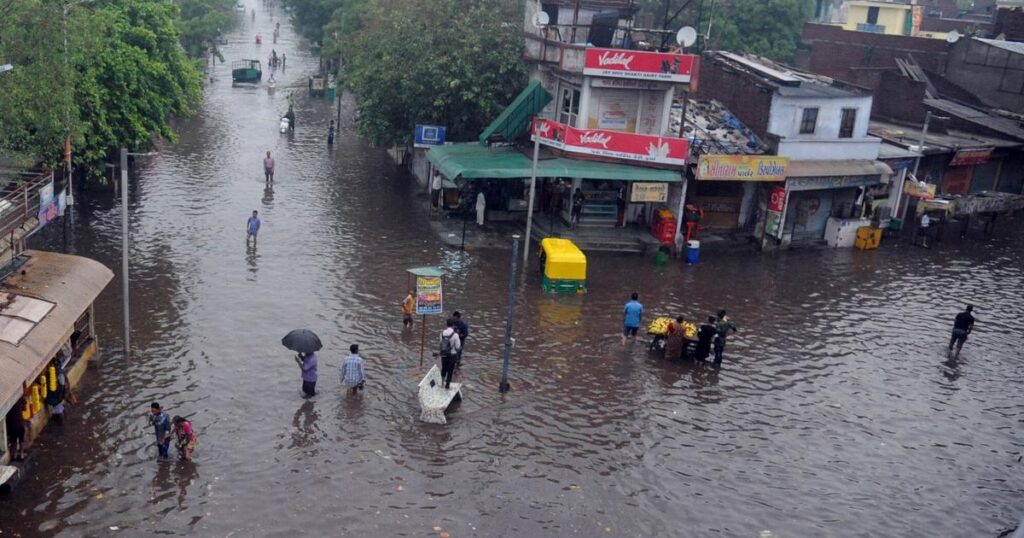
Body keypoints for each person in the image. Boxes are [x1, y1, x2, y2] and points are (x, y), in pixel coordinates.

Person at [439, 319, 461, 389]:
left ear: (446, 324)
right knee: (450, 370)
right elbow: (458, 346)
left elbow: (440, 343)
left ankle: (442, 383)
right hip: (452, 355)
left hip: (444, 354)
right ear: (453, 325)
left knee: (444, 369)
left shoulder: (442, 333)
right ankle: (447, 385)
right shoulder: (455, 335)